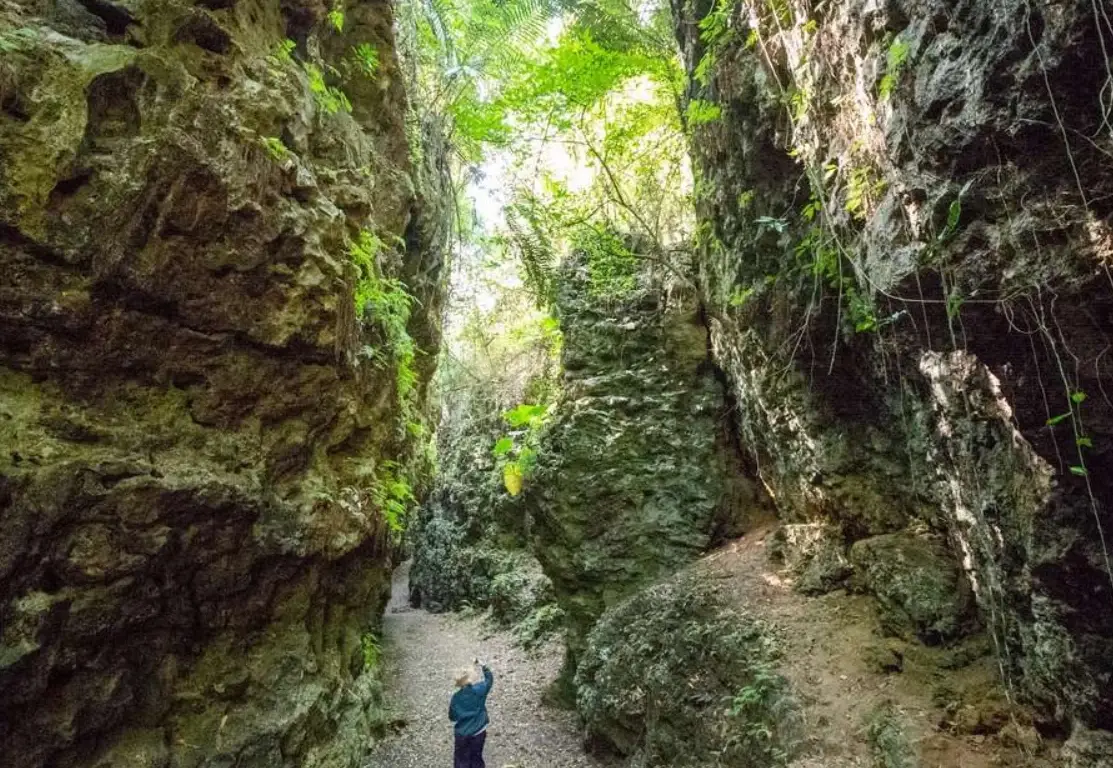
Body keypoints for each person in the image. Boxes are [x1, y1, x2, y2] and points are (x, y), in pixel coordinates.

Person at [449, 657, 494, 768]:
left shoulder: (455, 698)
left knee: (461, 760)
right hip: (479, 731)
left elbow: (452, 717)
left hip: (462, 734)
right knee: (476, 758)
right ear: (471, 679)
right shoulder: (479, 689)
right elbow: (489, 680)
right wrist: (484, 666)